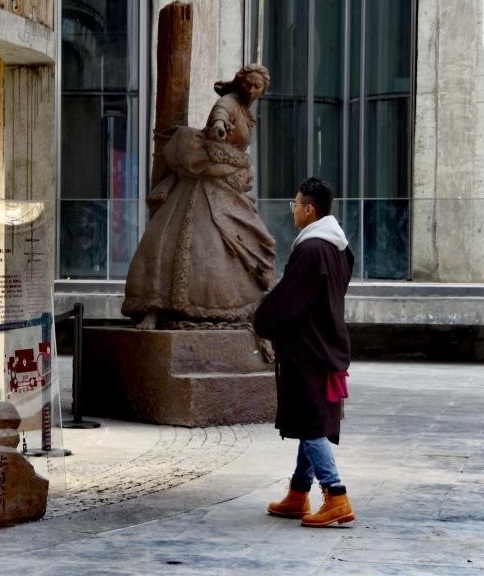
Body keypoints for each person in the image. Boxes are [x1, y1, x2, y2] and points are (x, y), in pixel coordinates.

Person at [122, 65, 275, 330]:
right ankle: (156, 306)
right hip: (204, 183)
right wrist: (218, 126)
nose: (251, 89)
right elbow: (219, 115)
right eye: (248, 83)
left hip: (228, 186)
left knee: (243, 241)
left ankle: (229, 306)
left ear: (263, 90)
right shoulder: (228, 102)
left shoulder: (246, 111)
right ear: (240, 83)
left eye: (257, 86)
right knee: (176, 241)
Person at [254, 177, 356, 527]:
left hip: (308, 350)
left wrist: (262, 318)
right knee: (310, 419)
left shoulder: (312, 249)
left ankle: (336, 494)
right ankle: (299, 493)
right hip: (327, 343)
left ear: (310, 210)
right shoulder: (339, 247)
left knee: (311, 425)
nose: (293, 210)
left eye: (295, 205)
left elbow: (291, 299)